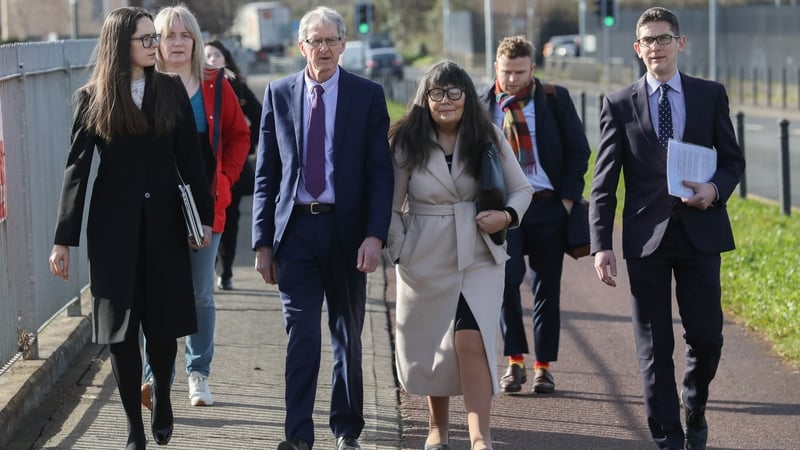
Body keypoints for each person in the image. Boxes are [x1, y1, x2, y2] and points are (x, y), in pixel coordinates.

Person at [48, 7, 213, 449]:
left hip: (164, 227)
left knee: (162, 332)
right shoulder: (94, 97)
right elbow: (76, 171)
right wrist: (64, 239)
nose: (154, 46)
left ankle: (161, 393)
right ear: (120, 44)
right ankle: (133, 430)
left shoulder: (170, 89)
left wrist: (206, 218)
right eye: (145, 39)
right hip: (112, 233)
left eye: (153, 39)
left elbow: (192, 162)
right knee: (120, 332)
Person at [589, 7, 745, 450]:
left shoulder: (709, 95)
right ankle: (669, 439)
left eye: (663, 38)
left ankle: (693, 402)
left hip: (701, 233)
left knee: (707, 338)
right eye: (647, 41)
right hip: (646, 240)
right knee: (654, 349)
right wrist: (602, 245)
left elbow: (732, 161)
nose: (655, 47)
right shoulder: (618, 105)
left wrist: (715, 190)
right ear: (637, 49)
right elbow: (603, 184)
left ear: (680, 43)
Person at [252, 6, 393, 450]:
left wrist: (375, 234)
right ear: (302, 46)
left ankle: (347, 428)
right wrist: (261, 241)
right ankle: (297, 437)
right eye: (317, 41)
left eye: (333, 40)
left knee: (348, 334)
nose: (325, 48)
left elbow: (380, 173)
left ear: (344, 45)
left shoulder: (367, 96)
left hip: (348, 234)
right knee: (302, 337)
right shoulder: (278, 93)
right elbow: (266, 174)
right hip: (295, 234)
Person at [387, 60, 533, 450]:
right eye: (437, 93)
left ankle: (479, 436)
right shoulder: (406, 142)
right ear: (425, 98)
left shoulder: (488, 137)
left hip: (479, 252)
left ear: (467, 97)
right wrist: (401, 249)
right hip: (424, 254)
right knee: (436, 341)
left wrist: (505, 216)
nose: (446, 101)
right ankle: (438, 426)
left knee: (472, 339)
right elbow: (390, 204)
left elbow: (522, 189)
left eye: (455, 92)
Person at [141, 4, 250, 409]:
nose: (178, 42)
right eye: (170, 35)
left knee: (200, 293)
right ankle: (156, 378)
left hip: (205, 208)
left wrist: (224, 179)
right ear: (156, 41)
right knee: (154, 294)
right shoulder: (143, 84)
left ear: (196, 40)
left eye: (186, 35)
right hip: (154, 211)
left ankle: (198, 373)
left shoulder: (214, 84)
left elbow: (240, 135)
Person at [479, 35, 590, 394]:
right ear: (496, 67)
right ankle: (515, 361)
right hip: (503, 208)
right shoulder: (482, 104)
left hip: (547, 206)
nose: (512, 79)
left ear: (533, 69)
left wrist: (567, 203)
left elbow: (579, 151)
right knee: (507, 280)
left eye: (520, 72)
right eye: (507, 72)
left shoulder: (555, 99)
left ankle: (544, 367)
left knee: (546, 288)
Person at [204, 38, 263, 291]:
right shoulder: (195, 86)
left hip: (231, 169)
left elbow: (260, 118)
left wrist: (249, 150)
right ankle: (210, 266)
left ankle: (224, 269)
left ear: (226, 59)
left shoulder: (237, 88)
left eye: (217, 55)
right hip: (204, 168)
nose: (212, 60)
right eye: (207, 56)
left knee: (230, 217)